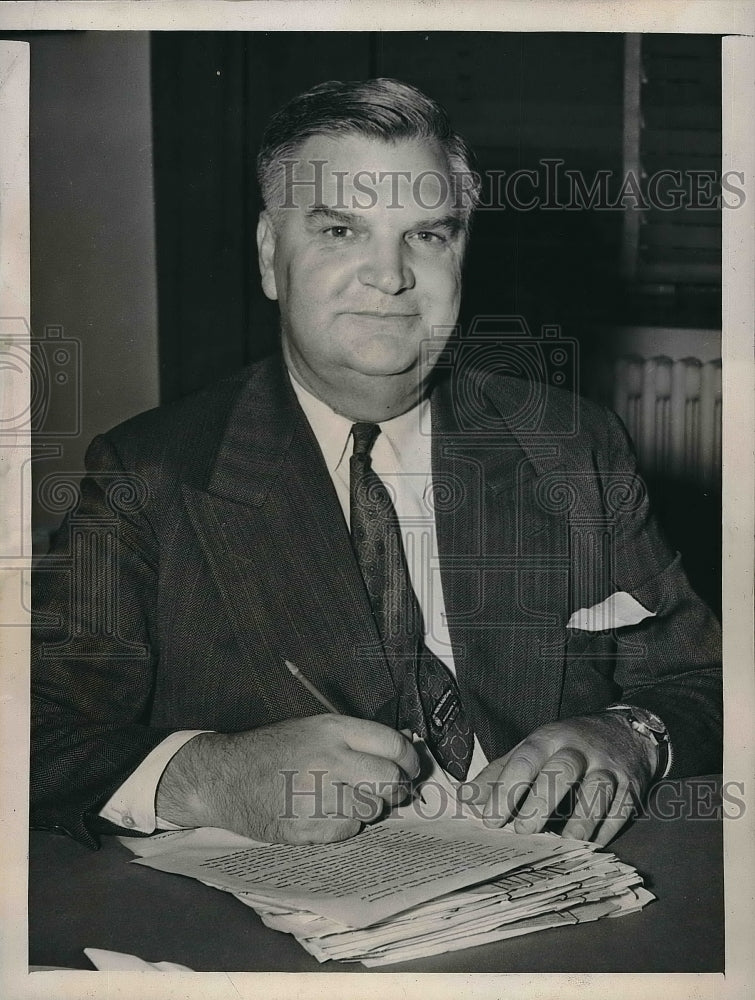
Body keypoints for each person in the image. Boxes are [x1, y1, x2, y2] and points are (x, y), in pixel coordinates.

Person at [31, 78, 722, 852]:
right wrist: (204, 773)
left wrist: (631, 733)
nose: (390, 276)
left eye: (426, 235)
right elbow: (34, 733)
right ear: (269, 256)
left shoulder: (570, 444)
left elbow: (708, 682)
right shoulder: (148, 474)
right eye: (339, 232)